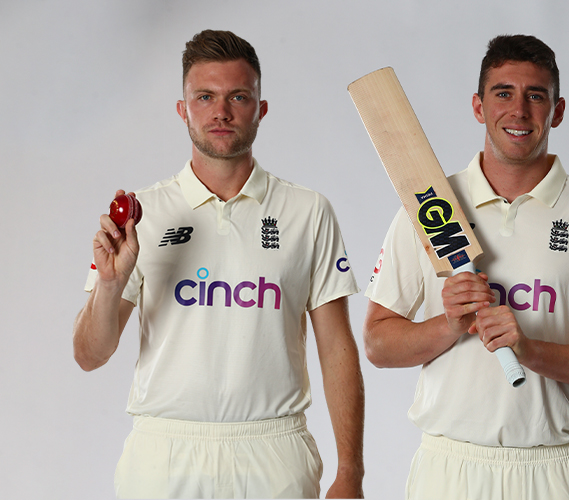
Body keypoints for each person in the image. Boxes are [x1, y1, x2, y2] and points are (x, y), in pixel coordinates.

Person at [72, 30, 365, 499]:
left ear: (261, 109)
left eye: (238, 97)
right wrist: (110, 284)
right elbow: (90, 355)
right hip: (164, 453)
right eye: (205, 97)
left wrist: (350, 471)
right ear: (182, 109)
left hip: (274, 450)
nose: (221, 112)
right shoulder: (144, 213)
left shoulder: (308, 211)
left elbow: (337, 349)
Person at [363, 34, 569, 499]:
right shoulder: (429, 206)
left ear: (557, 111)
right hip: (449, 471)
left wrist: (529, 350)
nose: (518, 110)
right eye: (503, 93)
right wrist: (449, 324)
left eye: (535, 96)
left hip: (549, 472)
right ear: (478, 107)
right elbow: (378, 344)